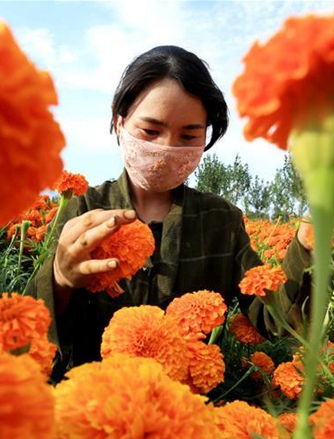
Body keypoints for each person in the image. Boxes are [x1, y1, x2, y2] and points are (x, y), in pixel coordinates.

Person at [27, 45, 313, 381]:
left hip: (188, 407)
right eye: (150, 131)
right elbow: (37, 331)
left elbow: (274, 319)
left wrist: (306, 246)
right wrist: (60, 279)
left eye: (188, 135)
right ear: (119, 123)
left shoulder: (221, 221)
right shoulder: (84, 209)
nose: (166, 147)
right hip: (92, 401)